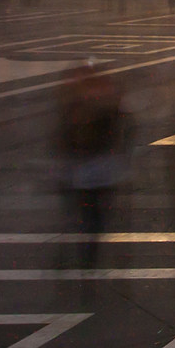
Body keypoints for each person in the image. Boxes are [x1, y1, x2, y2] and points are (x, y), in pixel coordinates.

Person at [53, 64, 128, 277]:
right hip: (91, 171)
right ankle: (85, 255)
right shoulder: (96, 105)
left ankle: (82, 254)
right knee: (90, 216)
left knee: (86, 215)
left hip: (90, 170)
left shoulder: (82, 106)